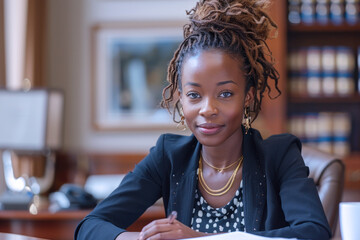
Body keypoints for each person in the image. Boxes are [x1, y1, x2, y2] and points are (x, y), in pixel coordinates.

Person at [75, 0, 331, 239]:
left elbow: (314, 232)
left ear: (248, 97)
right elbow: (89, 227)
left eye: (225, 93)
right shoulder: (169, 156)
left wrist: (202, 239)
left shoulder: (280, 155)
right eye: (194, 95)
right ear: (181, 98)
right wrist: (140, 238)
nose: (207, 109)